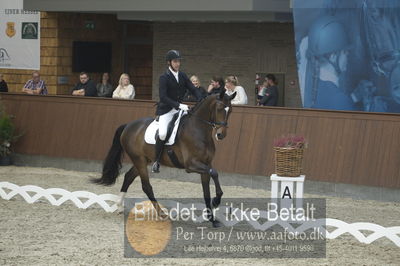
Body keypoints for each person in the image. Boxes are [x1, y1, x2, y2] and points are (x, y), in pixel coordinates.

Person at [152, 50, 203, 173]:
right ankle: (156, 160)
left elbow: (193, 89)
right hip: (167, 110)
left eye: (179, 61)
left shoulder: (183, 76)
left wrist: (201, 99)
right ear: (169, 62)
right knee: (163, 133)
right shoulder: (164, 77)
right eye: (175, 61)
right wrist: (179, 105)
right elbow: (163, 97)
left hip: (180, 109)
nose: (178, 64)